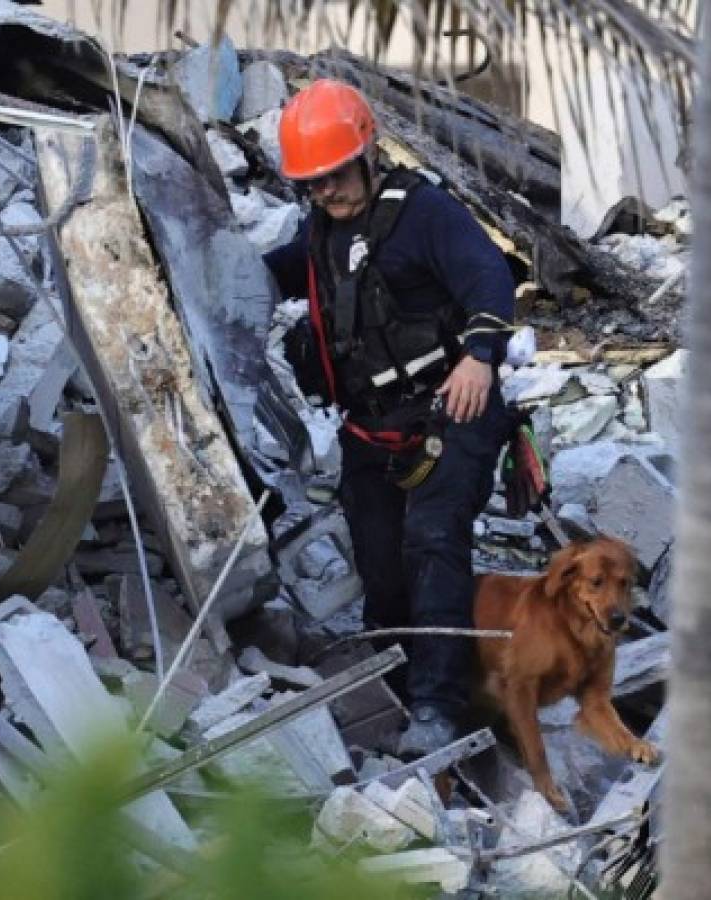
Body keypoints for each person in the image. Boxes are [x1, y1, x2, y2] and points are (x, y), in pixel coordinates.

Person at [263, 78, 517, 757]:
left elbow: (489, 278)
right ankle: (393, 689)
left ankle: (438, 706)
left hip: (449, 407)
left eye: (334, 177)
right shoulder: (320, 232)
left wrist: (480, 355)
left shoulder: (425, 214)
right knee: (380, 561)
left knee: (433, 542)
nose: (326, 193)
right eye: (311, 185)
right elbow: (275, 273)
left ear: (366, 154)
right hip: (371, 424)